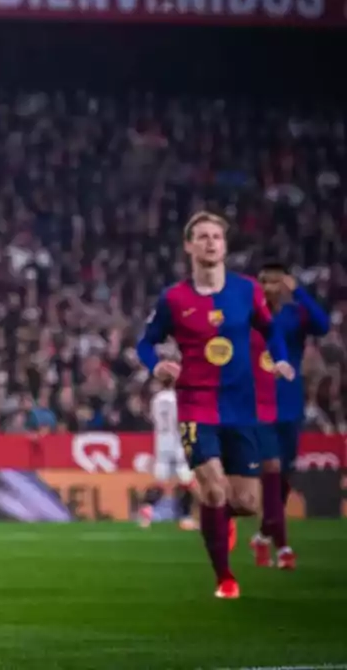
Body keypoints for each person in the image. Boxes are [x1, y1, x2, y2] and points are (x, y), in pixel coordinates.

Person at [135, 212, 294, 599]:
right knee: (212, 489)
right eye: (202, 237)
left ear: (224, 245)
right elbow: (145, 343)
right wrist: (158, 366)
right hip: (196, 406)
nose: (210, 243)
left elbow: (271, 330)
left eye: (217, 237)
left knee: (245, 501)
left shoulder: (246, 290)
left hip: (240, 408)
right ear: (189, 246)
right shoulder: (174, 298)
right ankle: (225, 577)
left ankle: (220, 520)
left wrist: (282, 357)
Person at [249, 260, 330, 570]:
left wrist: (303, 293)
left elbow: (322, 326)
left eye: (275, 281)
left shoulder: (295, 314)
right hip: (260, 406)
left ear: (285, 284)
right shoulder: (250, 317)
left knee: (283, 478)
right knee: (271, 472)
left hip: (290, 406)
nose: (270, 287)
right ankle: (283, 548)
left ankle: (262, 536)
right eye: (265, 281)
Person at [138, 381, 197, 531]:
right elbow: (182, 420)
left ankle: (146, 512)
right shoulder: (179, 398)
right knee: (186, 481)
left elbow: (152, 418)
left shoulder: (156, 399)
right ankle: (186, 517)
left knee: (161, 482)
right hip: (178, 441)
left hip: (162, 442)